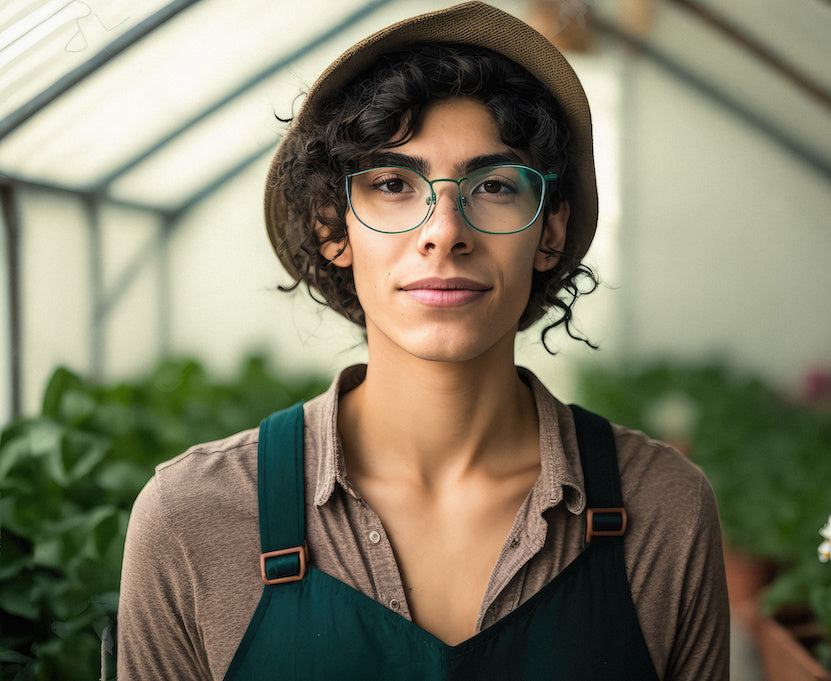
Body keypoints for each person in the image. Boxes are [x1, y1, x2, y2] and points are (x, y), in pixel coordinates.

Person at [116, 2, 730, 679]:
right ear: (332, 228)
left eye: (494, 184)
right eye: (392, 184)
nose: (445, 230)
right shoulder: (192, 517)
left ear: (550, 230)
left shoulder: (665, 510)